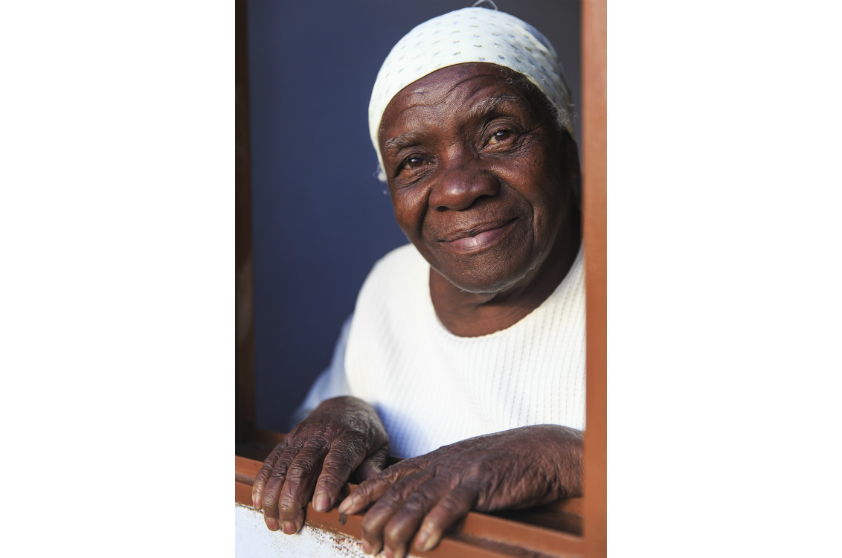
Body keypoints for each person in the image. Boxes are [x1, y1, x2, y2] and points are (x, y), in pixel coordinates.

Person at [252, 6, 585, 557]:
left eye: (499, 134)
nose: (459, 188)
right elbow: (317, 432)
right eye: (414, 161)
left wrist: (566, 455)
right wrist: (345, 408)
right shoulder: (391, 285)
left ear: (567, 150)